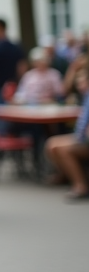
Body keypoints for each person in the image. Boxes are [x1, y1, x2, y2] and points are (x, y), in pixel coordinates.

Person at [45, 69, 89, 201]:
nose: (80, 85)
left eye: (83, 82)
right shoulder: (85, 97)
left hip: (85, 139)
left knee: (64, 150)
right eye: (78, 82)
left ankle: (80, 186)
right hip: (82, 137)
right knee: (52, 144)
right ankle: (66, 176)